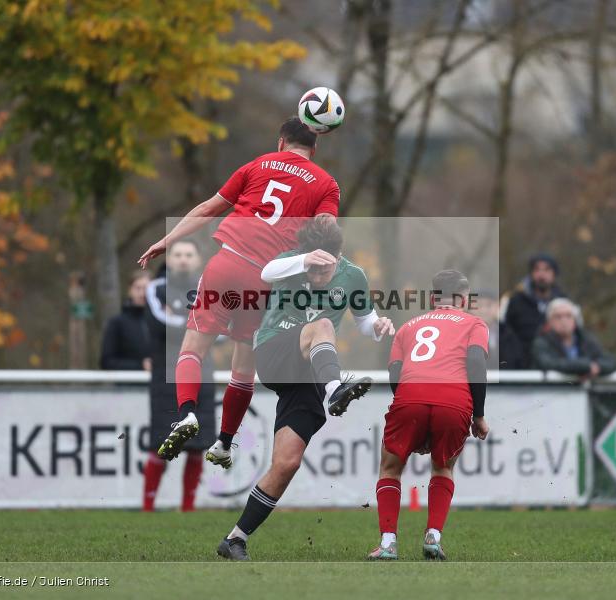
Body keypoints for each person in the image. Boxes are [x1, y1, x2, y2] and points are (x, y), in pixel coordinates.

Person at [137, 118, 340, 466]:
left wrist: (166, 242)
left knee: (192, 348)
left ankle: (187, 413)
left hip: (227, 264)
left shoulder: (255, 166)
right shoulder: (326, 184)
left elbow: (206, 210)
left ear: (281, 142)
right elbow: (328, 235)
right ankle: (225, 442)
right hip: (267, 279)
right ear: (315, 149)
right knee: (243, 365)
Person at [216, 219, 394, 561]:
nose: (315, 277)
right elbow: (268, 271)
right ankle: (334, 390)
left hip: (309, 369)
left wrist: (379, 324)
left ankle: (235, 539)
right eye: (311, 269)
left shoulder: (353, 275)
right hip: (273, 352)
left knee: (287, 462)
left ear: (338, 257)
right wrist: (305, 260)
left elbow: (365, 321)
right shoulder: (291, 261)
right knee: (323, 325)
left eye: (322, 270)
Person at [367, 269, 489, 561]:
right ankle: (433, 537)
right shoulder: (475, 324)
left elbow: (395, 373)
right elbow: (475, 363)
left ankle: (387, 544)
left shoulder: (409, 326)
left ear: (433, 297)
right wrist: (479, 415)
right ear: (463, 298)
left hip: (410, 396)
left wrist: (412, 413)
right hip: (453, 400)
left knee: (390, 469)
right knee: (443, 468)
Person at [142, 239, 216, 512]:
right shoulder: (156, 289)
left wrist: (191, 321)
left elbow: (221, 333)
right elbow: (159, 324)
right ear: (169, 259)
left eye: (189, 253)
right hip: (165, 377)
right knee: (159, 444)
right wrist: (198, 321)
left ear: (197, 259)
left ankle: (188, 508)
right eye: (178, 254)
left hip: (202, 377)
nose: (183, 259)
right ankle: (147, 508)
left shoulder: (208, 289)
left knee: (198, 446)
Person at [503, 253, 568, 368]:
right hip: (521, 368)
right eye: (537, 269)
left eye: (547, 270)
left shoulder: (564, 303)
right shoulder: (516, 301)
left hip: (556, 366)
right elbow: (506, 334)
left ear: (554, 274)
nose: (541, 274)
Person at [531, 298, 616, 378]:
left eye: (568, 316)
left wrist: (598, 367)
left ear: (575, 320)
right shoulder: (541, 342)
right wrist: (585, 367)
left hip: (583, 391)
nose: (564, 321)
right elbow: (547, 364)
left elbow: (610, 361)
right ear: (549, 322)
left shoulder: (586, 339)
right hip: (550, 392)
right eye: (558, 316)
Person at [99, 271, 151, 371]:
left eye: (146, 288)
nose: (142, 293)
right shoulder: (116, 323)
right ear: (130, 290)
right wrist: (141, 365)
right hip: (128, 385)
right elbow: (106, 362)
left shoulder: (163, 322)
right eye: (137, 288)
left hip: (160, 384)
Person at [469, 289, 523, 370]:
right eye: (479, 305)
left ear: (498, 306)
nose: (484, 310)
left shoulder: (508, 333)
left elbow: (517, 361)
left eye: (489, 305)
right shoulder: (461, 334)